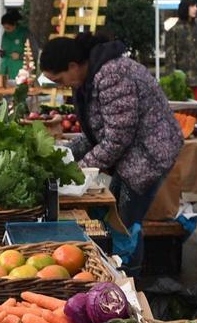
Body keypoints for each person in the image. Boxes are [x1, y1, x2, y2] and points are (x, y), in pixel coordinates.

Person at [40, 32, 183, 273]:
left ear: (73, 66)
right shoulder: (88, 79)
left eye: (60, 79)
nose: (61, 85)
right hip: (131, 154)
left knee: (125, 223)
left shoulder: (111, 74)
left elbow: (118, 137)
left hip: (148, 155)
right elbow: (95, 132)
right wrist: (63, 155)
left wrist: (77, 169)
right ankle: (119, 271)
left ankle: (130, 279)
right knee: (116, 217)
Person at [166, 0, 197, 104]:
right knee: (184, 112)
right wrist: (172, 79)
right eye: (192, 6)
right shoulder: (174, 30)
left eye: (196, 6)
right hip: (181, 80)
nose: (195, 9)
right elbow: (170, 57)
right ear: (184, 8)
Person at [0, 10, 29, 79]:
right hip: (5, 69)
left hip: (19, 70)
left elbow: (33, 53)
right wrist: (1, 53)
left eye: (8, 28)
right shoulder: (5, 35)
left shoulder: (25, 33)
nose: (6, 30)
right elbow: (4, 49)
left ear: (14, 24)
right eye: (4, 28)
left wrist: (20, 56)